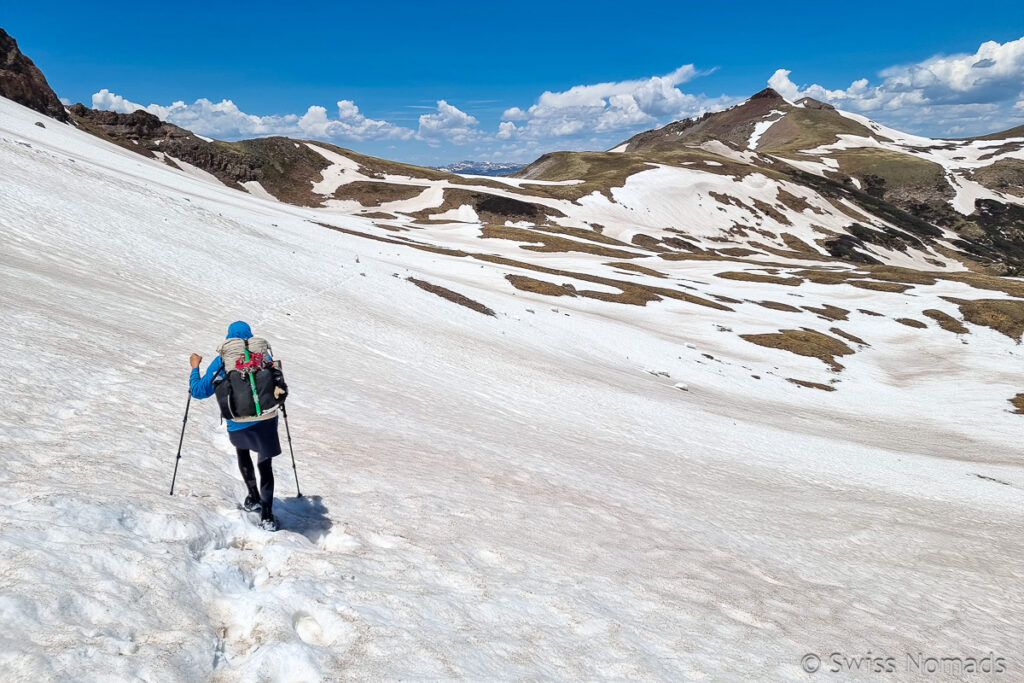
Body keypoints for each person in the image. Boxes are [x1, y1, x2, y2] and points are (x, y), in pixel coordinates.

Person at [189, 321, 284, 531]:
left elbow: (199, 391)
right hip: (266, 418)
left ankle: (253, 496)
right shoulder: (262, 356)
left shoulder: (224, 359)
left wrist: (194, 367)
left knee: (243, 454)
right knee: (265, 464)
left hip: (238, 421)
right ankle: (267, 516)